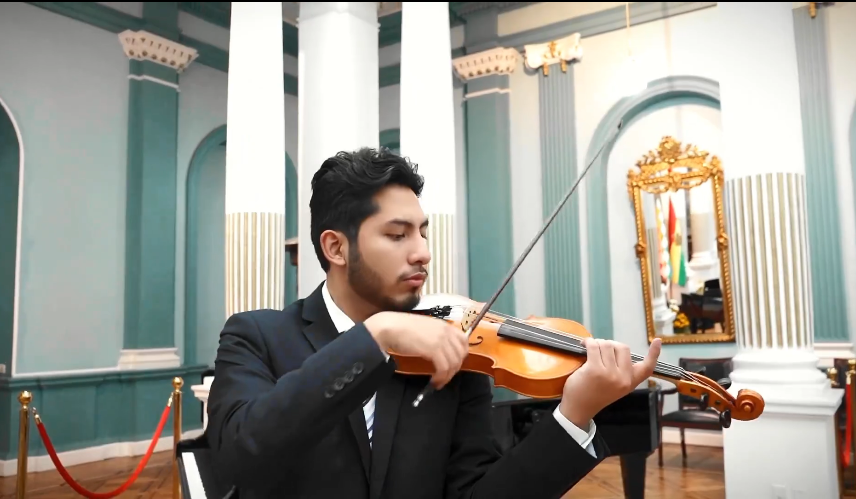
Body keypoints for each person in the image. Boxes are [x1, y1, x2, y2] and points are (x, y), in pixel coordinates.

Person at [206, 147, 662, 499]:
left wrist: (574, 415)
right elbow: (239, 456)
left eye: (423, 231)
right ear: (336, 248)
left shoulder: (454, 353)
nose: (422, 250)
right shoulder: (256, 335)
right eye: (397, 234)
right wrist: (374, 338)